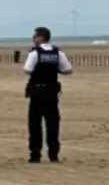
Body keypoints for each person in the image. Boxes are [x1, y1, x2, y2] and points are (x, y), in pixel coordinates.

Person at [23, 27, 72, 163]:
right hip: (51, 93)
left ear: (40, 37)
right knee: (53, 123)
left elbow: (27, 70)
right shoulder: (58, 53)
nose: (33, 38)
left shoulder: (34, 53)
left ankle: (35, 154)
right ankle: (53, 154)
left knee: (35, 124)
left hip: (37, 92)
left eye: (35, 36)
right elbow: (68, 70)